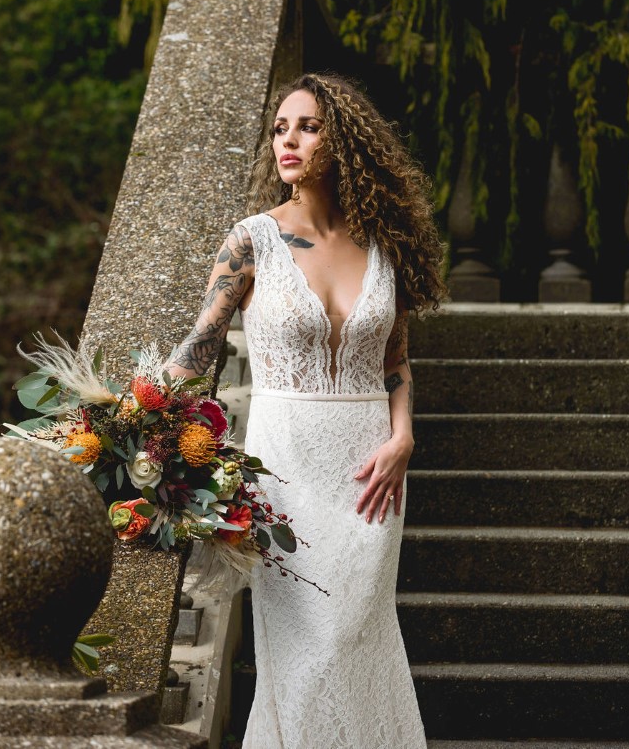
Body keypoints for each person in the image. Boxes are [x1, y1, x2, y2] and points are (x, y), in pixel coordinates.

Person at [167, 71, 446, 749]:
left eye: (308, 127)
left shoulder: (384, 243)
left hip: (370, 470)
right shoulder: (251, 241)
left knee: (356, 634)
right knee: (308, 648)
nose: (287, 141)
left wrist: (403, 438)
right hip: (283, 469)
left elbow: (395, 361)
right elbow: (198, 349)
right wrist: (126, 416)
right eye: (279, 129)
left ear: (343, 141)